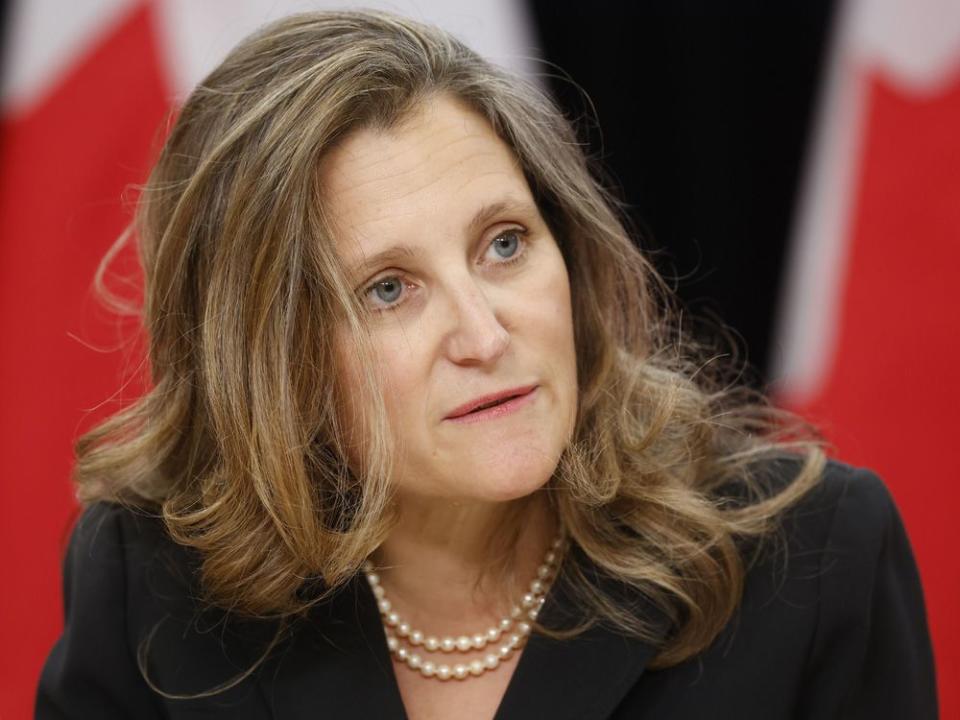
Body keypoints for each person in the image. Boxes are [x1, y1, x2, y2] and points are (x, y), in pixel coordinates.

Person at [35, 9, 937, 720]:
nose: (483, 333)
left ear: (569, 251)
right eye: (388, 290)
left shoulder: (814, 559)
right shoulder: (149, 579)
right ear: (268, 359)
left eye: (504, 244)